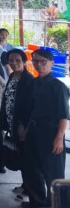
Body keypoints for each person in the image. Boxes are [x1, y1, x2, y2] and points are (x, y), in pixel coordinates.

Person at [22, 49, 69, 207]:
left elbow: (64, 115)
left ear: (52, 63)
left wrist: (59, 138)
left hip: (51, 133)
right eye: (36, 61)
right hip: (33, 131)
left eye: (43, 62)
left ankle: (56, 204)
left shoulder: (58, 86)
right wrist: (25, 129)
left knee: (53, 173)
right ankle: (38, 202)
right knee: (32, 169)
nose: (39, 65)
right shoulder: (33, 83)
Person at [0, 49, 34, 200]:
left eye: (17, 60)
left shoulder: (28, 80)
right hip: (11, 122)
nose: (14, 63)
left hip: (21, 126)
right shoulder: (12, 76)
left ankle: (30, 190)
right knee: (20, 154)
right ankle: (26, 185)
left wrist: (22, 125)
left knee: (26, 158)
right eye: (11, 60)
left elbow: (28, 106)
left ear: (24, 62)